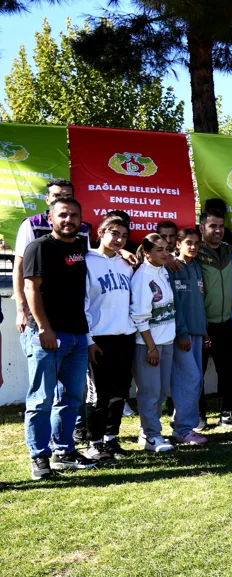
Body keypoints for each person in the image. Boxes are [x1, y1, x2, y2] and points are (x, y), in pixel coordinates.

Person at [23, 197, 93, 480]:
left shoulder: (80, 247)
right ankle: (39, 457)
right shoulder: (39, 247)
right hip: (48, 335)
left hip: (77, 334)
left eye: (74, 215)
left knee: (71, 398)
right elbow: (31, 289)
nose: (69, 220)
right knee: (41, 400)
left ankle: (63, 451)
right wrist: (44, 328)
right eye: (63, 215)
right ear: (50, 218)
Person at [83, 214, 136, 462]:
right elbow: (82, 304)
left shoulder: (127, 263)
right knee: (98, 394)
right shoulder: (87, 260)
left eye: (124, 236)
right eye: (114, 233)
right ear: (101, 232)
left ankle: (111, 439)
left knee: (120, 392)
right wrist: (89, 339)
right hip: (99, 338)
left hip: (125, 336)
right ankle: (93, 443)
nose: (119, 239)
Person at [14, 178, 85, 337]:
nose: (62, 199)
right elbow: (20, 268)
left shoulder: (81, 227)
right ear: (47, 200)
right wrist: (21, 309)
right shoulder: (32, 224)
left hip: (74, 323)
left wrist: (122, 252)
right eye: (57, 195)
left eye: (67, 196)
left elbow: (90, 259)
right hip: (41, 320)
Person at [195, 209, 232, 429]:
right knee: (197, 373)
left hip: (226, 322)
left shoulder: (230, 251)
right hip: (202, 324)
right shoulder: (195, 252)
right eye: (212, 226)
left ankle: (227, 414)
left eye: (221, 226)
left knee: (227, 371)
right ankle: (198, 416)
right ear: (201, 228)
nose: (218, 230)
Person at [131, 234, 178, 453]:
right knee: (149, 392)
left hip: (166, 341)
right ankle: (152, 436)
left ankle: (148, 431)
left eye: (167, 249)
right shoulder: (142, 277)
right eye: (159, 250)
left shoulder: (163, 271)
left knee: (161, 392)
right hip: (148, 344)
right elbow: (139, 316)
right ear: (146, 252)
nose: (165, 253)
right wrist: (151, 347)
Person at [169, 228, 209, 447]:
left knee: (193, 380)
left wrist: (204, 329)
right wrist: (181, 332)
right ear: (178, 244)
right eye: (188, 243)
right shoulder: (172, 267)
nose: (193, 247)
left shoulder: (197, 268)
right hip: (181, 335)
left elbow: (198, 303)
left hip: (197, 332)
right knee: (189, 379)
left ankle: (183, 426)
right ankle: (183, 429)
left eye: (196, 243)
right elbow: (174, 304)